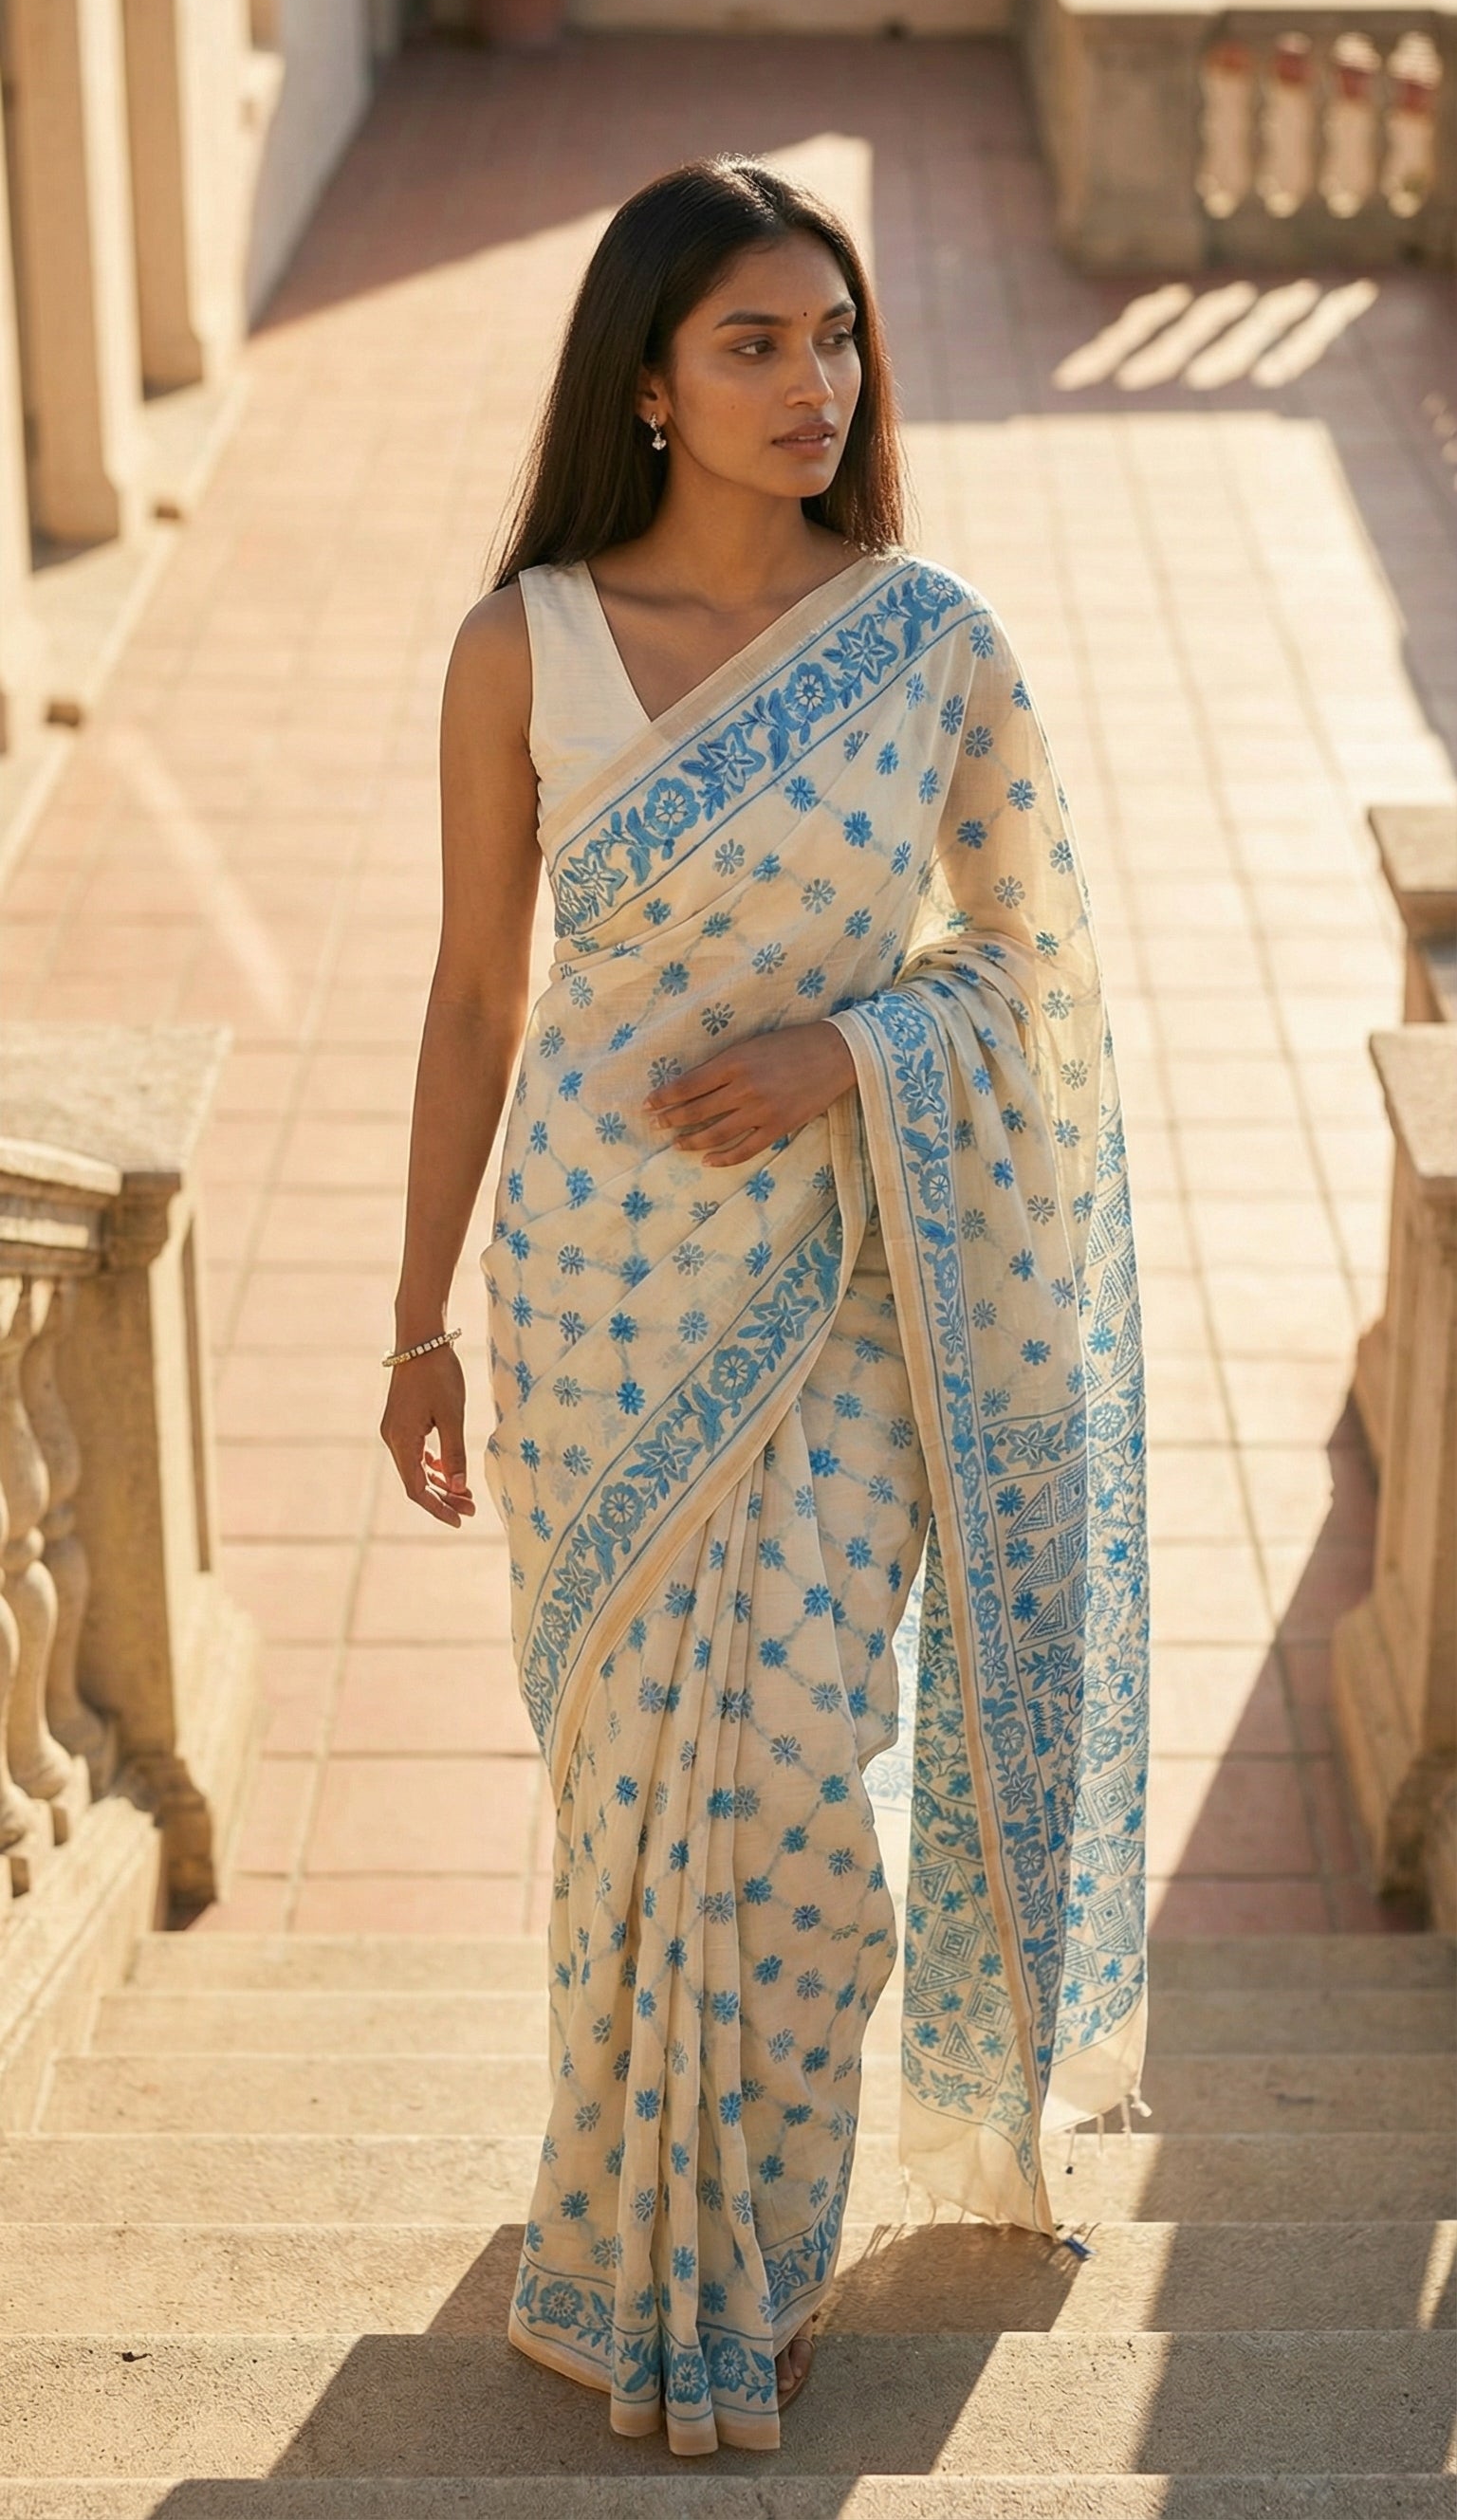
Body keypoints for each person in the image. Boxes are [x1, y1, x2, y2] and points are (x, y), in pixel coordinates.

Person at [381, 154, 1150, 2458]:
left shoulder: (931, 641)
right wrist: (417, 1322)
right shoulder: (525, 640)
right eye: (754, 342)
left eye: (834, 338)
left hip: (843, 1284)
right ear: (647, 374)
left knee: (803, 1785)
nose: (814, 382)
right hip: (598, 1296)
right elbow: (468, 992)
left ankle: (763, 2249)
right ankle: (628, 2248)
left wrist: (854, 1049)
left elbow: (1041, 975)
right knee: (638, 1800)